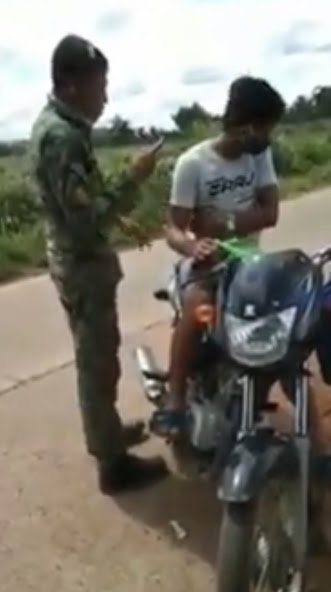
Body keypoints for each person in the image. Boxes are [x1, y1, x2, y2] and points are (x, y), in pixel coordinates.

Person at [29, 34, 168, 494]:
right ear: (71, 85)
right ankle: (113, 464)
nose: (105, 97)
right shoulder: (62, 137)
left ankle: (106, 432)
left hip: (74, 256)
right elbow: (86, 221)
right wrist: (133, 178)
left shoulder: (59, 126)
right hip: (82, 264)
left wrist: (119, 219)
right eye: (99, 86)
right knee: (97, 362)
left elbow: (76, 203)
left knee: (97, 356)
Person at [153, 75, 286, 437]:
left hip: (250, 264)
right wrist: (192, 245)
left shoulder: (259, 157)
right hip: (207, 264)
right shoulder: (192, 164)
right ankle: (176, 400)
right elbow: (174, 228)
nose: (268, 137)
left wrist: (222, 223)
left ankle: (257, 394)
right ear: (245, 125)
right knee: (198, 308)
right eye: (265, 128)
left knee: (283, 322)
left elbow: (271, 213)